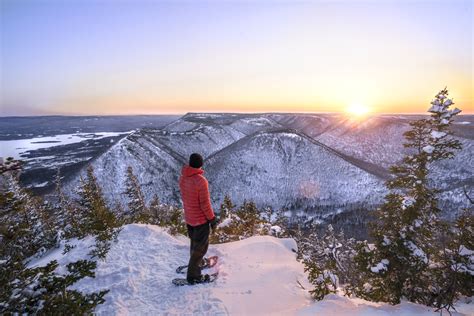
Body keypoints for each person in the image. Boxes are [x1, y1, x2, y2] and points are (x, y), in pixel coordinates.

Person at [179, 153, 218, 284]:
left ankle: (198, 262)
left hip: (189, 218)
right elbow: (205, 204)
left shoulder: (183, 178)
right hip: (200, 220)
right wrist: (212, 219)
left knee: (194, 244)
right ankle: (193, 275)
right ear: (200, 164)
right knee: (200, 248)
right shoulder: (201, 181)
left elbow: (186, 198)